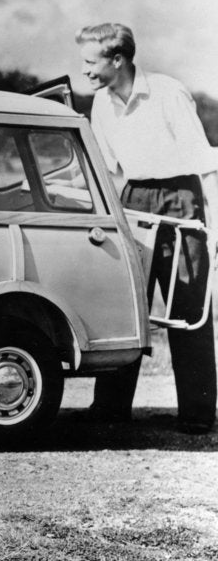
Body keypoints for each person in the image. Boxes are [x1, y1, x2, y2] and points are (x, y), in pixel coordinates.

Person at [77, 22, 217, 434]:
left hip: (180, 201)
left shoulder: (168, 92)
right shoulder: (101, 103)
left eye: (90, 61)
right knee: (127, 304)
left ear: (117, 59)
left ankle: (196, 415)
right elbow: (107, 168)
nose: (84, 70)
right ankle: (111, 407)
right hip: (134, 200)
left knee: (188, 308)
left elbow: (204, 162)